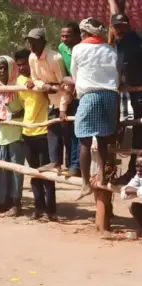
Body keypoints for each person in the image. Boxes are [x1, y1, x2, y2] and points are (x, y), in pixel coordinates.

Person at [69, 18, 119, 199]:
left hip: (89, 95)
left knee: (84, 140)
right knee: (103, 139)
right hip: (110, 96)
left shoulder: (78, 49)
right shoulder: (110, 49)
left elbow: (75, 75)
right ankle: (103, 176)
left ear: (85, 33)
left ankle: (85, 183)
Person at [16, 49, 57, 220]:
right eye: (19, 65)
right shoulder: (18, 81)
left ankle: (51, 210)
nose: (22, 68)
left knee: (47, 174)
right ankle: (38, 208)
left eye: (24, 64)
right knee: (34, 174)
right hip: (27, 131)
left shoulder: (41, 79)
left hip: (43, 131)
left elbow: (52, 96)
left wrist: (38, 84)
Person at [25, 28, 71, 173]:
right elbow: (34, 79)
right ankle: (55, 162)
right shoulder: (32, 58)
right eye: (29, 42)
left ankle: (72, 166)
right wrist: (44, 86)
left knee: (68, 134)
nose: (31, 46)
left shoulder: (54, 58)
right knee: (53, 131)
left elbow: (64, 84)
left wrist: (63, 107)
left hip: (64, 98)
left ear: (43, 42)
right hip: (50, 99)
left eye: (34, 42)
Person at [0, 55, 25, 216]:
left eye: (4, 68)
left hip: (16, 133)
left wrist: (9, 116)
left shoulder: (18, 85)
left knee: (16, 170)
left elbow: (25, 109)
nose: (1, 71)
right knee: (0, 168)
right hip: (2, 133)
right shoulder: (0, 88)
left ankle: (16, 203)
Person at [109, 8, 142, 184]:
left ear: (129, 26)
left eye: (122, 26)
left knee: (139, 135)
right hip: (130, 95)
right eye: (116, 27)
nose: (119, 29)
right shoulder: (119, 43)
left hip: (138, 95)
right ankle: (134, 174)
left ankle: (133, 174)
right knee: (136, 133)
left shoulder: (135, 43)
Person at [57, 22, 82, 177]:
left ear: (78, 36)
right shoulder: (61, 48)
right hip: (71, 93)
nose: (64, 39)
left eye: (68, 36)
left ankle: (77, 165)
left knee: (81, 130)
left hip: (85, 92)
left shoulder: (84, 49)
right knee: (71, 130)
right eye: (63, 36)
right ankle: (73, 164)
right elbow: (63, 73)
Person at [121, 157, 142, 237]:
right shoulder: (139, 175)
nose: (139, 169)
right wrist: (138, 191)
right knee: (133, 207)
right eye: (137, 166)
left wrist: (135, 191)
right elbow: (125, 192)